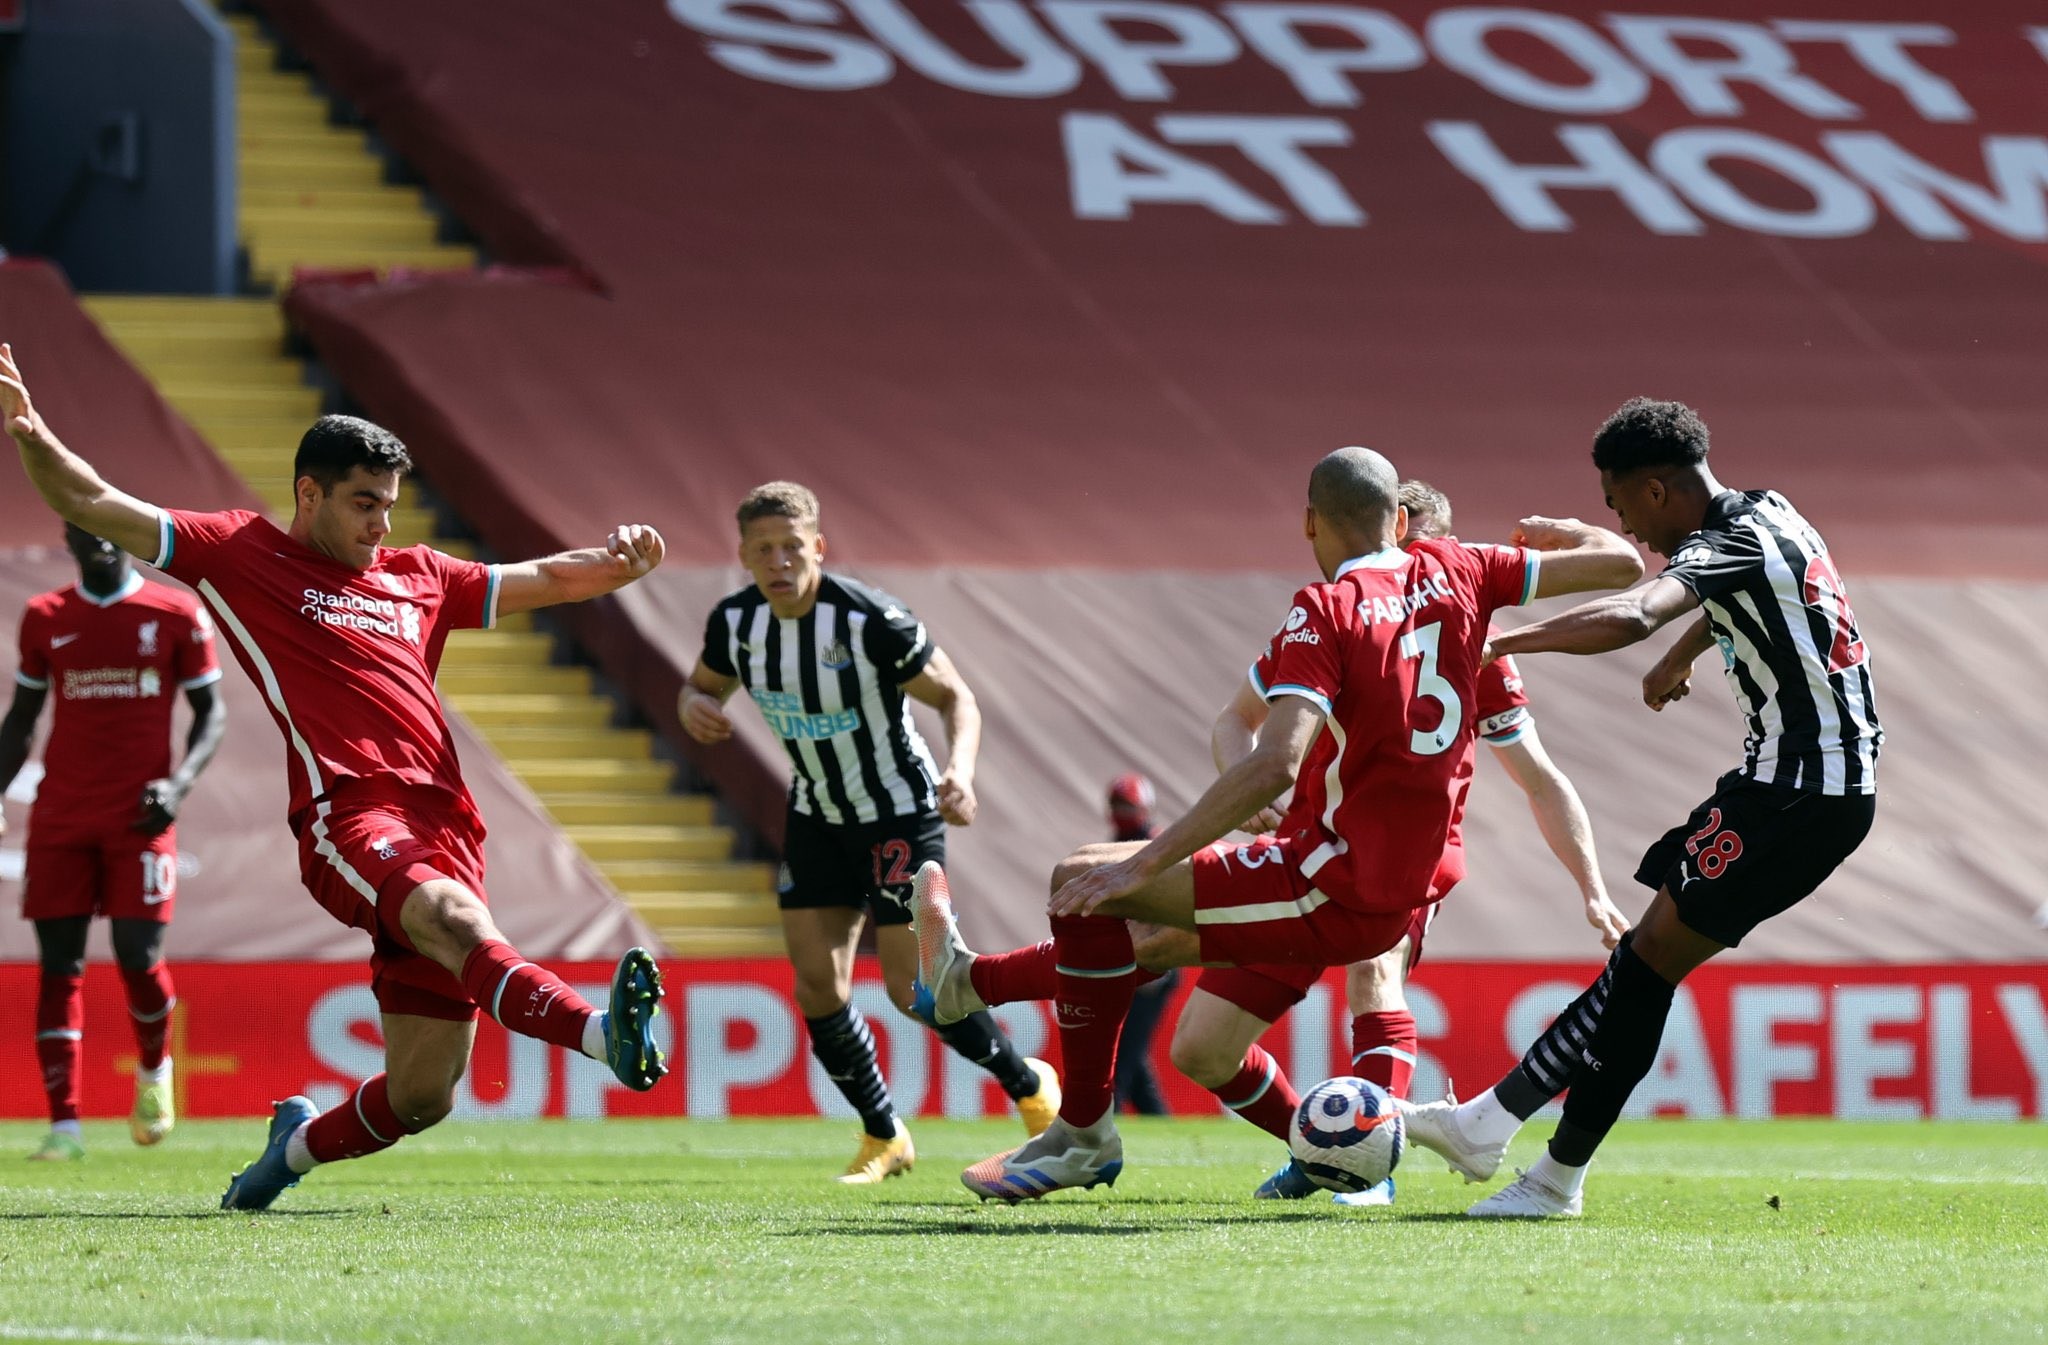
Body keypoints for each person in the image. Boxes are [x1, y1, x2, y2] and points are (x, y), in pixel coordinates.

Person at [0, 344, 668, 1211]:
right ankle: (603, 1035)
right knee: (455, 918)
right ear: (308, 494)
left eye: (388, 505)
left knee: (423, 1093)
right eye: (363, 503)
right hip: (347, 815)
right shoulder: (238, 553)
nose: (380, 524)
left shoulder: (419, 576)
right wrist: (28, 429)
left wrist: (618, 563)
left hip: (448, 826)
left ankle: (286, 1153)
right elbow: (92, 501)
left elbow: (544, 578)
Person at [910, 445, 1643, 1200]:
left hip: (1346, 876)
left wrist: (1148, 857)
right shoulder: (1465, 577)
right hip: (1327, 856)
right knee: (1186, 1020)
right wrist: (1564, 531)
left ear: (1310, 522)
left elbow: (1277, 763)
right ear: (1398, 524)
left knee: (1100, 883)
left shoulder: (1332, 610)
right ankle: (1339, 1154)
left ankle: (1076, 1125)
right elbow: (1623, 563)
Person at [1400, 398, 1881, 1218]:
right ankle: (1498, 1130)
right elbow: (1757, 594)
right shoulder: (1772, 511)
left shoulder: (1719, 544)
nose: (1628, 529)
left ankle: (1539, 1165)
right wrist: (1684, 653)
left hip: (1799, 792)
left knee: (1646, 966)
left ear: (1655, 489)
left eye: (1620, 506)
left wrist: (1500, 642)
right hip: (1806, 786)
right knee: (1642, 963)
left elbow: (1633, 611)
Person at [1165, 479, 1630, 1206]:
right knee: (1201, 1047)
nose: (1425, 579)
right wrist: (1248, 794)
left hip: (1402, 863)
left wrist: (1593, 889)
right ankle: (1332, 1149)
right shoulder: (1337, 617)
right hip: (1304, 855)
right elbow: (1235, 718)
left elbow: (1541, 779)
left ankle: (1366, 1169)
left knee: (1372, 972)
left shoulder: (1476, 649)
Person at [679, 481, 1058, 1184]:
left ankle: (1028, 1085)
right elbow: (700, 685)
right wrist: (693, 703)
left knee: (913, 990)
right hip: (816, 816)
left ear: (818, 547)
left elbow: (956, 696)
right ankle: (884, 1133)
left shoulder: (869, 619)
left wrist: (960, 771)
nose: (779, 561)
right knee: (817, 985)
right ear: (744, 556)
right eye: (763, 549)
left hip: (898, 813)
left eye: (792, 546)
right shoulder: (736, 625)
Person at [1, 523, 226, 1160]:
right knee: (59, 966)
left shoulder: (175, 611)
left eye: (107, 528)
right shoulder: (45, 616)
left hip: (141, 819)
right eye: (85, 529)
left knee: (137, 954)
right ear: (67, 539)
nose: (99, 539)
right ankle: (64, 1127)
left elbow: (211, 712)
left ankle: (154, 1068)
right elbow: (22, 719)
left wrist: (178, 785)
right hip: (62, 819)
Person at [1105, 774, 1176, 1117]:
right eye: (1117, 805)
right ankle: (1160, 1122)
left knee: (1121, 1055)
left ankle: (1106, 1121)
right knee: (1131, 1054)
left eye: (1128, 806)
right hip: (1128, 962)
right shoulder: (1117, 844)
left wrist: (1158, 958)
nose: (1122, 812)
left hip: (1155, 965)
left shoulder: (1158, 845)